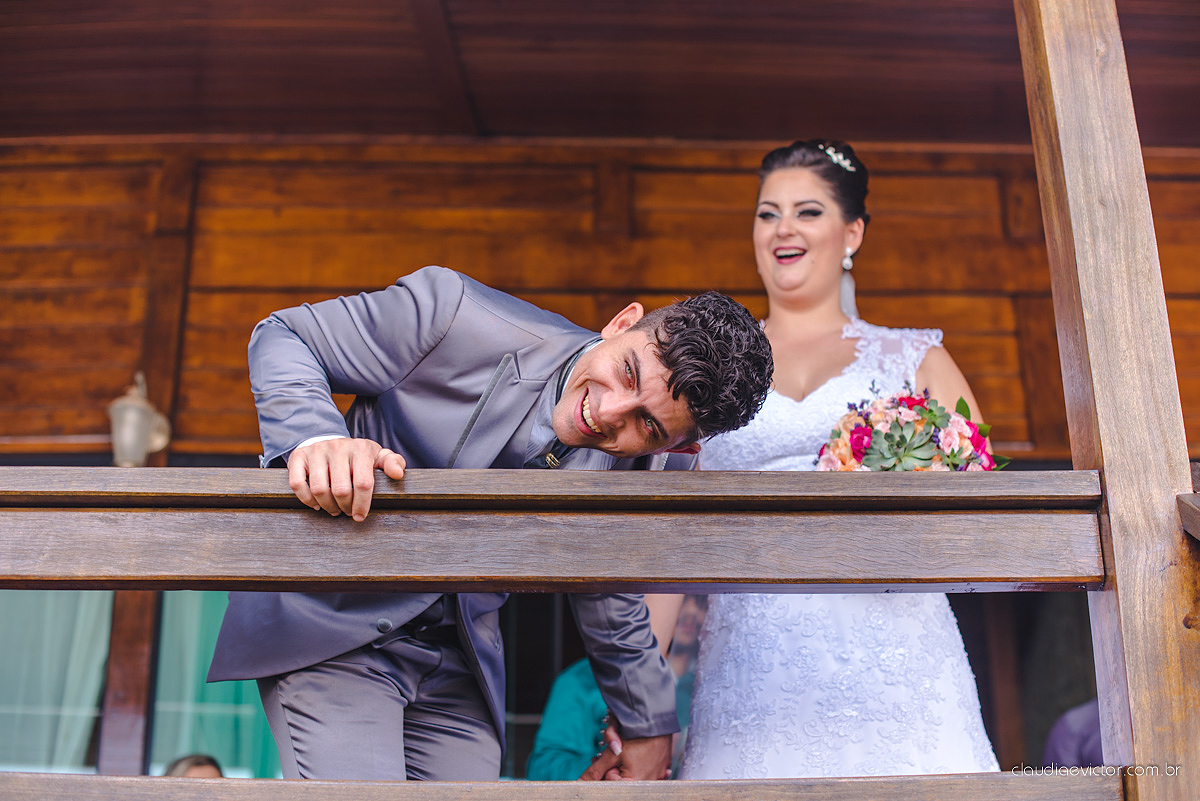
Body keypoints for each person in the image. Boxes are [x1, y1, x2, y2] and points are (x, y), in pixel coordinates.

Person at [206, 265, 773, 782]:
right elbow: (285, 334)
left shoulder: (650, 465)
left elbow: (609, 592)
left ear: (683, 445)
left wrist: (649, 726)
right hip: (334, 627)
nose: (606, 413)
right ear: (621, 324)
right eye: (627, 372)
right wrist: (319, 438)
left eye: (646, 424)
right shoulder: (452, 313)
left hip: (462, 664)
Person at [643, 140, 1000, 779]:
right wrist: (639, 707)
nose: (783, 229)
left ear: (851, 231)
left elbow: (981, 518)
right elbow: (669, 540)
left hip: (900, 656)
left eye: (807, 212)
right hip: (752, 659)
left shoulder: (917, 360)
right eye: (767, 213)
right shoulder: (709, 376)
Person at [525, 595, 707, 780]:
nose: (691, 611)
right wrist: (614, 765)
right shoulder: (581, 679)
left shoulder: (704, 687)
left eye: (700, 601)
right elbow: (544, 767)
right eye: (683, 600)